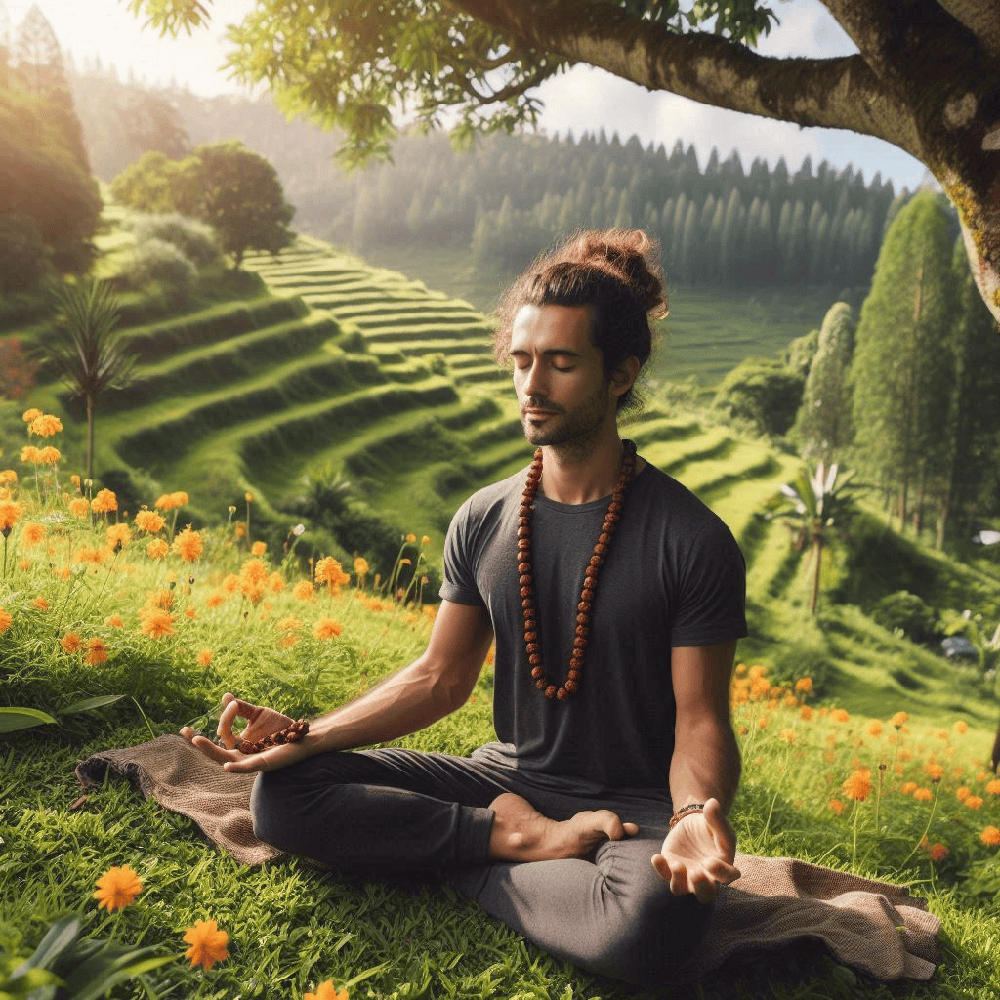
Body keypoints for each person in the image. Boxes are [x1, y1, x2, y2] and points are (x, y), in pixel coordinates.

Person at [180, 228, 748, 986]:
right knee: (283, 794)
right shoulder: (485, 517)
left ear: (621, 375)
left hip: (632, 812)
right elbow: (440, 679)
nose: (531, 384)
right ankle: (512, 841)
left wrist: (689, 820)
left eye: (561, 362)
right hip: (504, 783)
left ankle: (460, 852)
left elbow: (701, 719)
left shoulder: (691, 538)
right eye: (521, 360)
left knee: (650, 922)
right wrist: (309, 736)